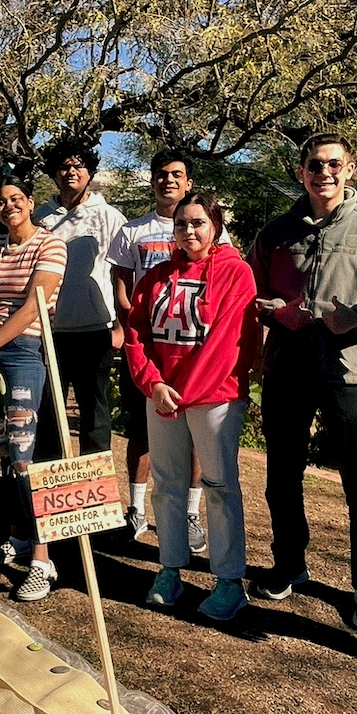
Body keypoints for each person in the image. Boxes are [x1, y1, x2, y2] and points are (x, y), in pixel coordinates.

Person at [247, 134, 357, 632]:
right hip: (288, 369)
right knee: (282, 476)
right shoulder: (276, 233)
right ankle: (289, 564)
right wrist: (273, 312)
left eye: (334, 164)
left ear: (351, 170)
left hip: (354, 373)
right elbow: (251, 291)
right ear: (302, 172)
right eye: (315, 165)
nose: (325, 173)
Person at [124, 192, 259, 618]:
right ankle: (170, 568)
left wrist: (184, 392)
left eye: (198, 223)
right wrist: (154, 383)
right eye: (181, 224)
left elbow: (230, 341)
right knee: (167, 483)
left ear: (215, 225)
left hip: (213, 396)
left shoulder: (236, 273)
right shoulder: (156, 277)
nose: (189, 232)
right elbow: (137, 334)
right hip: (163, 395)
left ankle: (229, 579)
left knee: (219, 486)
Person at [109, 147, 227, 553]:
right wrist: (130, 323)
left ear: (188, 182)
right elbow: (122, 282)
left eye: (176, 174)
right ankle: (136, 508)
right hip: (148, 352)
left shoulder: (212, 231)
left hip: (195, 360)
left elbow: (222, 290)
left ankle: (191, 513)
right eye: (161, 174)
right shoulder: (133, 231)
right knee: (141, 432)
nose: (168, 180)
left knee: (194, 442)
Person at [0, 172, 68, 601]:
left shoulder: (50, 244)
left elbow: (33, 306)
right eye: (1, 202)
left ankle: (42, 562)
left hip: (27, 354)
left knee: (27, 458)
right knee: (5, 456)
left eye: (15, 199)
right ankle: (18, 537)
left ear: (30, 202)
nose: (8, 207)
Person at [31, 143, 127, 463]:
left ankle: (95, 494)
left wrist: (120, 326)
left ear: (89, 172)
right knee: (48, 412)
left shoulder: (110, 218)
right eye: (64, 166)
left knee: (95, 413)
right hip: (49, 331)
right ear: (54, 173)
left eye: (78, 166)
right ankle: (50, 491)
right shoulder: (40, 218)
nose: (71, 172)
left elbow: (124, 274)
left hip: (95, 330)